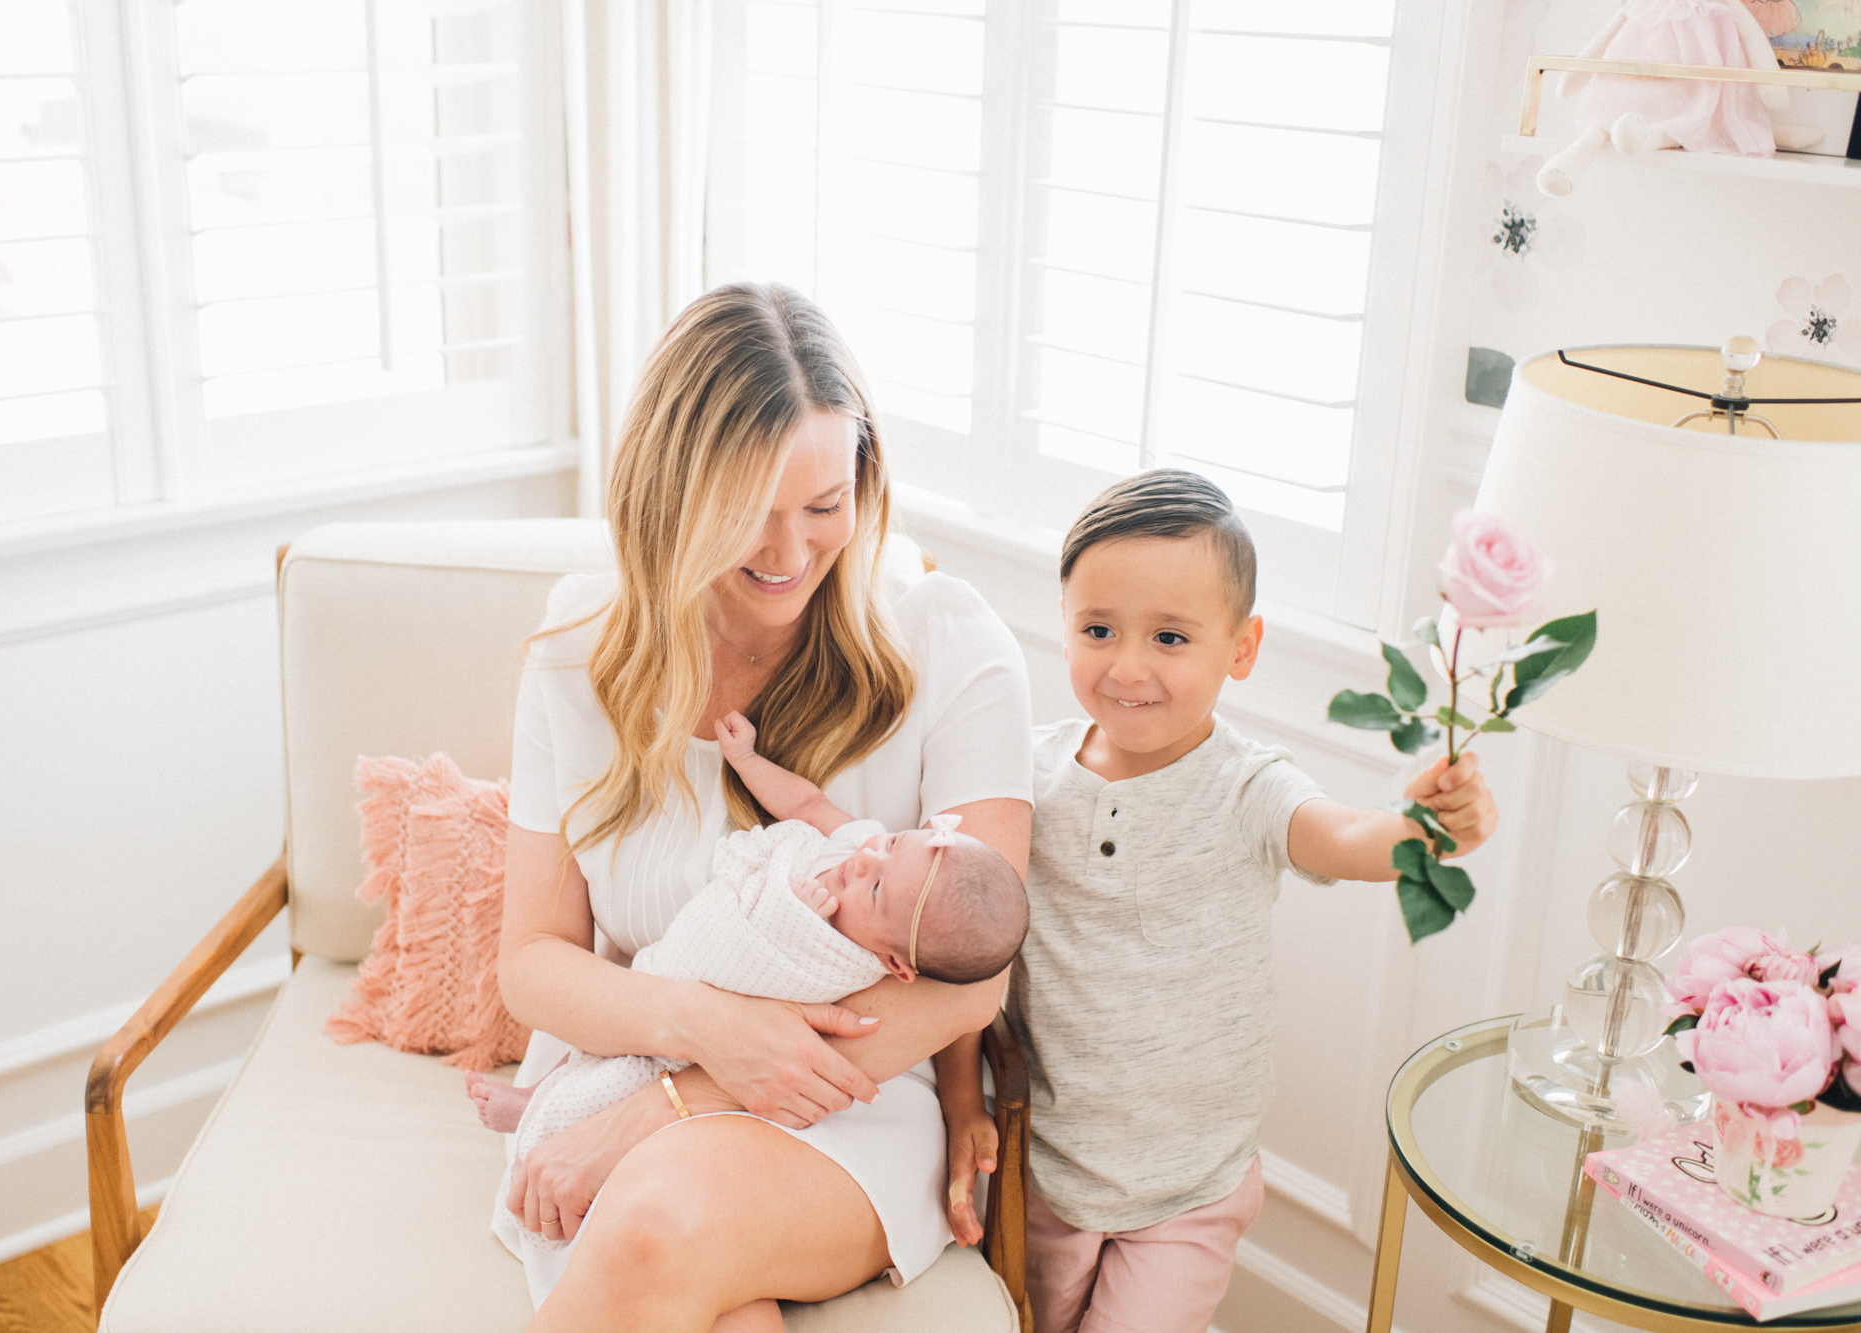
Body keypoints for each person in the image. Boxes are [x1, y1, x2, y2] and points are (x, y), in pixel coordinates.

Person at [493, 282, 1033, 1331]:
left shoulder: (953, 649)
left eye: (824, 508)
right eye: (748, 513)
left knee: (656, 1224)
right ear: (666, 493)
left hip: (852, 1102)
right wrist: (694, 1032)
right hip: (611, 1067)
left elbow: (972, 981)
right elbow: (532, 961)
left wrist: (677, 1104)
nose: (789, 555)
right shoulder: (575, 653)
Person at [1001, 469, 1499, 1333]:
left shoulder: (1248, 786)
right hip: (1047, 1166)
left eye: (1168, 637)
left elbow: (1343, 839)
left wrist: (1423, 826)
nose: (1126, 666)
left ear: (1241, 646)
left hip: (1189, 1188)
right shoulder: (1030, 771)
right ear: (1065, 622)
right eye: (1098, 628)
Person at [471, 715, 1028, 1259]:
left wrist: (797, 920)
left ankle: (542, 1115)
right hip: (665, 989)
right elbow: (808, 806)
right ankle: (540, 1092)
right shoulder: (867, 848)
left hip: (707, 1056)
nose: (862, 863)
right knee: (599, 1038)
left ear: (895, 964)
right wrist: (748, 761)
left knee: (619, 1079)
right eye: (891, 845)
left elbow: (772, 983)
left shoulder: (852, 961)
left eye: (877, 890)